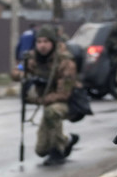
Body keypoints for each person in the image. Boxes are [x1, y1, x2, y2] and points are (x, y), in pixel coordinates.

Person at [23, 25, 79, 166]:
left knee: (52, 111)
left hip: (67, 103)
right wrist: (23, 75)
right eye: (39, 41)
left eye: (46, 42)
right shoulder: (33, 58)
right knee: (41, 150)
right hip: (48, 104)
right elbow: (17, 71)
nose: (42, 45)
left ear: (53, 43)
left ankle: (57, 152)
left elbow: (64, 94)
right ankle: (67, 141)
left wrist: (39, 100)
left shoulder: (65, 62)